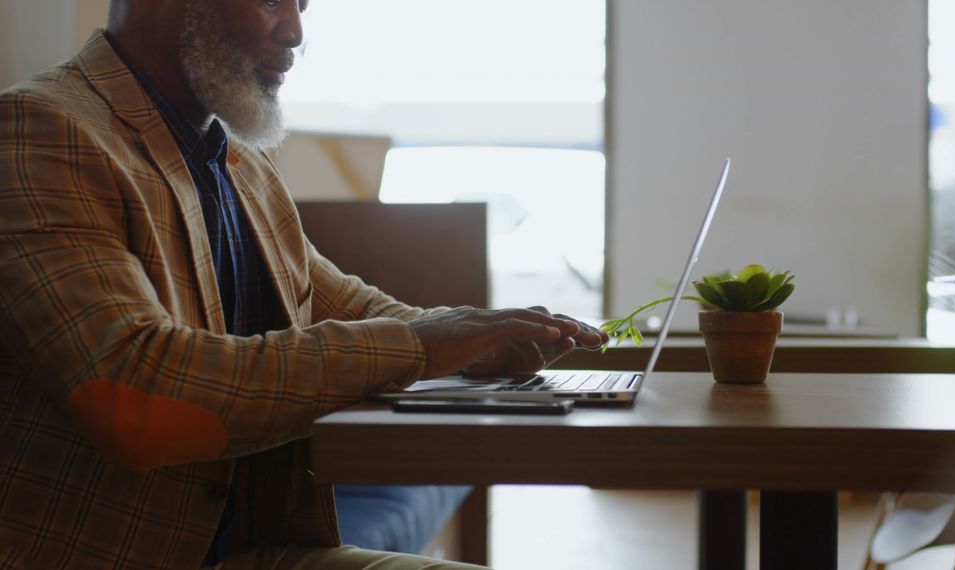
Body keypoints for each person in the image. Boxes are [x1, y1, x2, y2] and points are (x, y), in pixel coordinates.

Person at [0, 0, 606, 568]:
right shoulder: (40, 127)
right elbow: (138, 393)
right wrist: (425, 344)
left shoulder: (233, 154)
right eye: (270, 0)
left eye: (303, 5)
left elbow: (332, 300)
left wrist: (478, 337)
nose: (294, 31)